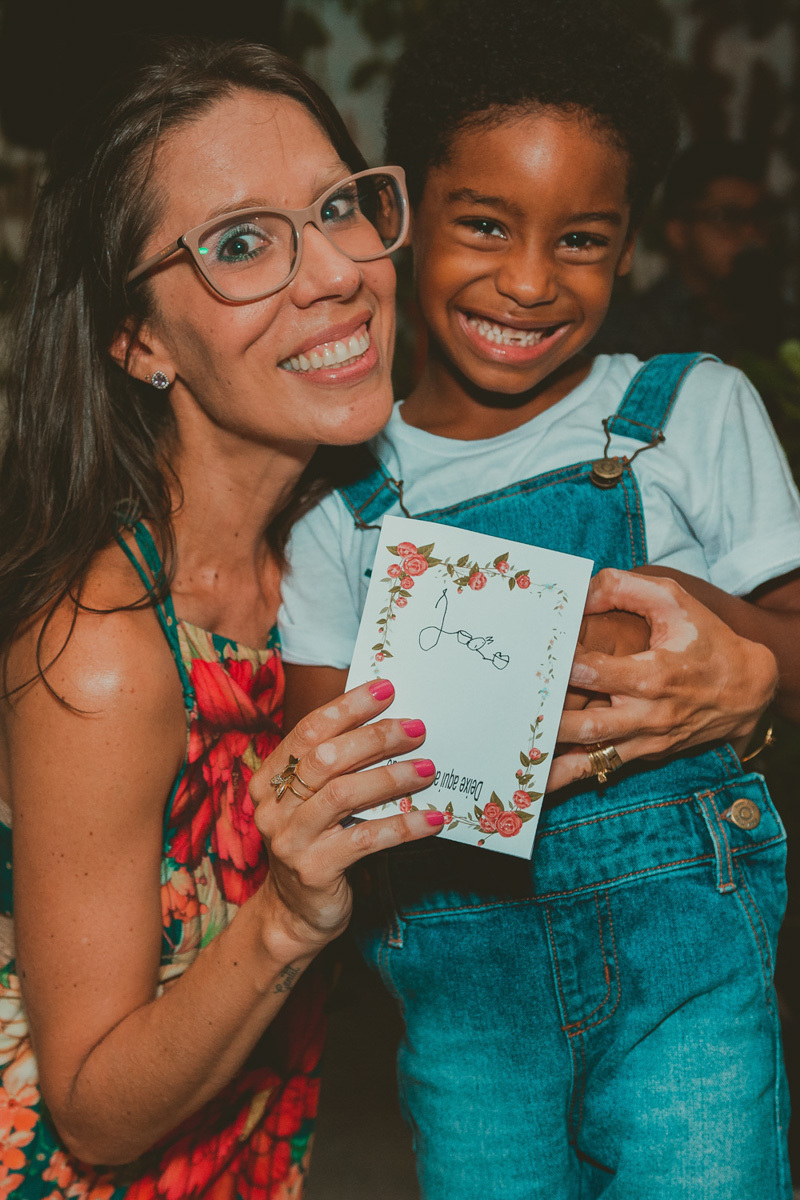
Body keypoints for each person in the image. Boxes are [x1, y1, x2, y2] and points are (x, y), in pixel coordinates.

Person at [278, 2, 800, 1195]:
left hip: (693, 981)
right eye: (482, 225)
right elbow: (318, 758)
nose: (524, 281)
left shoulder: (691, 410)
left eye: (579, 239)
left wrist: (721, 635)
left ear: (629, 248)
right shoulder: (342, 497)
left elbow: (787, 637)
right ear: (399, 214)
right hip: (466, 1003)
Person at [0, 39, 449, 1200]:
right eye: (243, 242)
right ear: (137, 340)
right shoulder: (102, 653)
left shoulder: (343, 557)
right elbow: (92, 1113)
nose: (337, 273)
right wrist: (290, 916)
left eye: (340, 207)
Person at [594, 138, 794, 363]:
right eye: (726, 217)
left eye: (759, 216)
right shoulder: (628, 333)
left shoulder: (783, 321)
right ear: (678, 232)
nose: (751, 233)